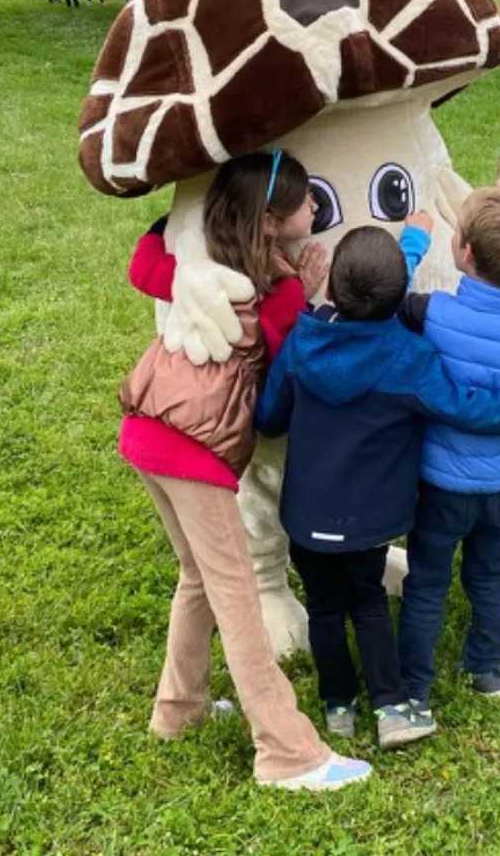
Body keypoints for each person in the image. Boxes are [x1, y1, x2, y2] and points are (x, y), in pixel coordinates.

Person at [256, 225, 500, 748]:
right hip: (371, 519)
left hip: (306, 514)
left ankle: (338, 704)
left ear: (331, 287)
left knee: (326, 610)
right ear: (398, 295)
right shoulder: (410, 356)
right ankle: (391, 706)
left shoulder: (303, 339)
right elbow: (465, 407)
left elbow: (268, 417)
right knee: (370, 605)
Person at [118, 150, 372, 792]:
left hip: (145, 427)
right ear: (269, 221)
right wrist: (309, 298)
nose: (316, 208)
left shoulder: (204, 264)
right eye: (307, 201)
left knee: (198, 577)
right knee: (236, 599)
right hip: (193, 450)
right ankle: (286, 752)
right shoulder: (281, 289)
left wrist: (180, 227)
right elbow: (291, 369)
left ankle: (180, 709)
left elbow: (144, 264)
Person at [396, 189, 500, 713]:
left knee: (427, 583)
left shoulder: (432, 312)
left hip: (440, 483)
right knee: (489, 572)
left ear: (462, 250)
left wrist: (411, 243)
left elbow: (380, 296)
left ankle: (414, 687)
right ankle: (486, 668)